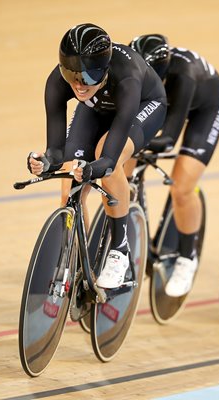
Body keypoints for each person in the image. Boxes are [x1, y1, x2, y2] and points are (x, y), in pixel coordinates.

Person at [27, 23, 167, 289]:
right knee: (70, 184)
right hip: (96, 105)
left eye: (88, 77)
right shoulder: (60, 82)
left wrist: (97, 168)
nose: (79, 85)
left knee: (106, 159)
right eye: (72, 75)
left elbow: (109, 159)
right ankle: (79, 262)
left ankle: (119, 250)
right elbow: (56, 150)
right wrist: (45, 162)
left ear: (104, 70)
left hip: (142, 107)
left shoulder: (126, 77)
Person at [129, 34, 219, 297]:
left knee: (181, 188)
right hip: (162, 101)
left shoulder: (183, 75)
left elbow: (169, 138)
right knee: (126, 162)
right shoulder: (128, 66)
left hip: (204, 107)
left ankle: (187, 257)